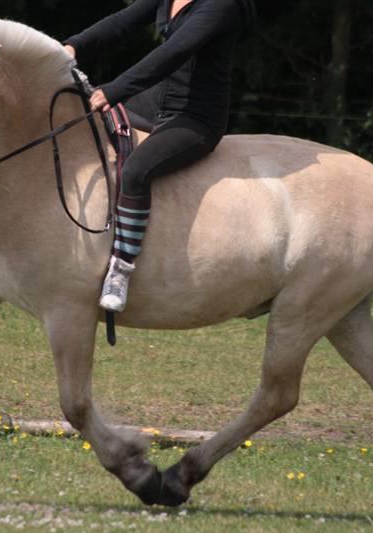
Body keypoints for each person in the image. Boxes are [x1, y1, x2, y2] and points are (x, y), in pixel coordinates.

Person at [64, 0, 255, 312]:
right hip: (152, 103)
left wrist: (115, 90)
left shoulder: (223, 6)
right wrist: (71, 46)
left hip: (195, 118)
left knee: (136, 171)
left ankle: (121, 268)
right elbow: (120, 21)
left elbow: (173, 53)